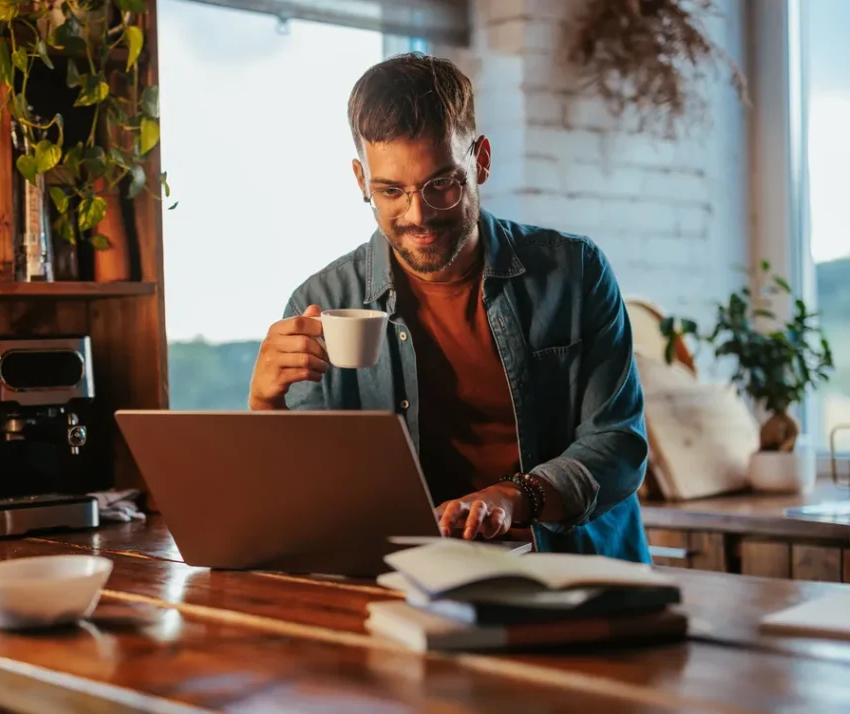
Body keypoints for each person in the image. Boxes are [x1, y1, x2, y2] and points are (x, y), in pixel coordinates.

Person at [247, 53, 651, 563]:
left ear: (479, 160)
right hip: (408, 576)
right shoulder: (324, 302)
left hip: (573, 569)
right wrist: (266, 408)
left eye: (442, 183)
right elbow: (310, 490)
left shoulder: (575, 272)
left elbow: (618, 444)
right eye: (390, 191)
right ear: (359, 179)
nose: (419, 216)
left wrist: (513, 498)